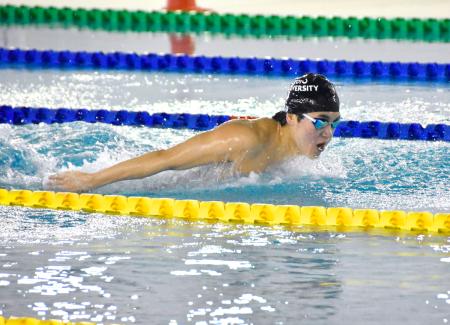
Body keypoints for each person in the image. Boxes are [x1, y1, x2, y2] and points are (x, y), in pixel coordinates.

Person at [49, 73, 341, 193]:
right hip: (164, 182)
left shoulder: (296, 153)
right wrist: (91, 180)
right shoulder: (245, 138)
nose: (328, 133)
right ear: (291, 116)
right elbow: (167, 159)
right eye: (319, 121)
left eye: (334, 123)